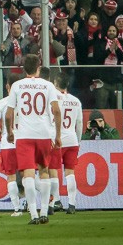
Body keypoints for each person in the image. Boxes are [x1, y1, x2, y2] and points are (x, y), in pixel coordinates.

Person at [6, 54, 61, 225]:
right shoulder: (48, 85)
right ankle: (44, 212)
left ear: (24, 69)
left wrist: (9, 132)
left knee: (28, 174)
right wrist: (58, 135)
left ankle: (33, 214)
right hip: (44, 134)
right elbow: (56, 111)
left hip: (24, 135)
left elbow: (8, 114)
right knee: (44, 171)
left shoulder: (17, 85)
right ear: (39, 67)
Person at [48, 72, 83, 215]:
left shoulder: (52, 99)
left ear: (55, 83)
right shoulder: (76, 101)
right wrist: (78, 141)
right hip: (72, 139)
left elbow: (49, 119)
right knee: (70, 172)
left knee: (53, 170)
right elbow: (79, 123)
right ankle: (72, 204)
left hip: (56, 139)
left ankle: (55, 201)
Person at [0, 73, 24, 217]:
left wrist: (1, 131)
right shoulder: (25, 101)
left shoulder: (3, 102)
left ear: (7, 86)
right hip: (24, 142)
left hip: (8, 143)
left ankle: (17, 209)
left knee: (11, 177)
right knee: (27, 175)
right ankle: (34, 204)